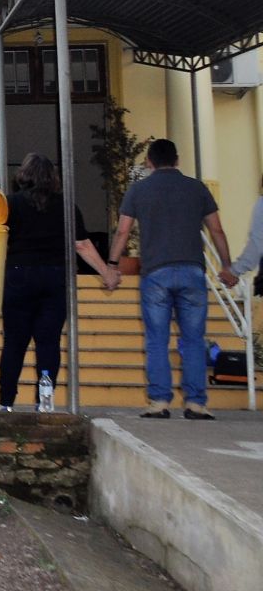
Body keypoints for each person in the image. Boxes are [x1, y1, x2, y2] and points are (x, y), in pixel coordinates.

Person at [110, 138, 235, 420]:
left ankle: (158, 402)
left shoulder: (138, 190)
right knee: (193, 339)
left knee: (157, 339)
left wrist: (112, 265)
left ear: (150, 163)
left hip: (155, 274)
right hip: (192, 271)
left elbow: (122, 232)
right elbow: (216, 230)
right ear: (177, 161)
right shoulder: (196, 188)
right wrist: (226, 266)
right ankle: (196, 403)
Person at [0, 154, 120, 412]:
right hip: (55, 278)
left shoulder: (11, 204)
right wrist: (106, 273)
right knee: (48, 342)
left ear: (24, 175)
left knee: (14, 342)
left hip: (19, 276)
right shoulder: (67, 206)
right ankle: (45, 401)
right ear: (52, 178)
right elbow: (82, 244)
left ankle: (6, 402)